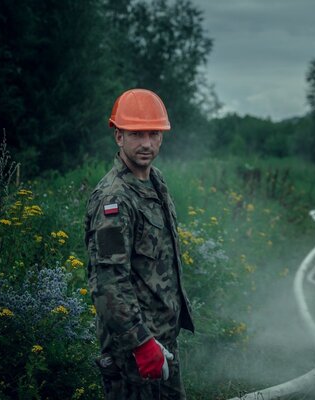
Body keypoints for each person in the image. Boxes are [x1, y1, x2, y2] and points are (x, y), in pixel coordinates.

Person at [84, 88, 194, 400]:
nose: (146, 143)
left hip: (162, 340)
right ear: (118, 136)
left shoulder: (155, 181)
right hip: (132, 349)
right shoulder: (114, 199)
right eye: (136, 134)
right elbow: (107, 282)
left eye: (153, 133)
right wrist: (141, 343)